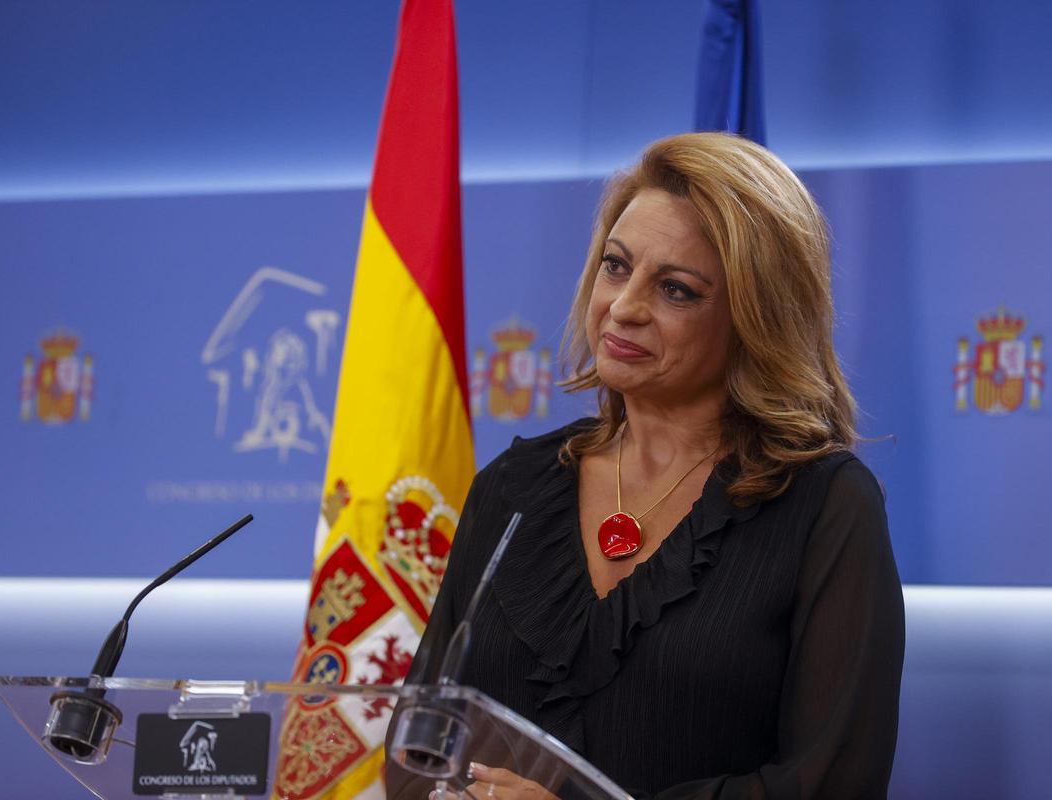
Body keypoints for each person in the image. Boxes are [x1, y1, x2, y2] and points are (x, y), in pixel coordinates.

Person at [388, 132, 905, 799]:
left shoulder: (825, 505)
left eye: (676, 290)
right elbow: (417, 744)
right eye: (615, 266)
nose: (624, 307)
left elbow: (833, 784)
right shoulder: (513, 488)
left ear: (755, 317)